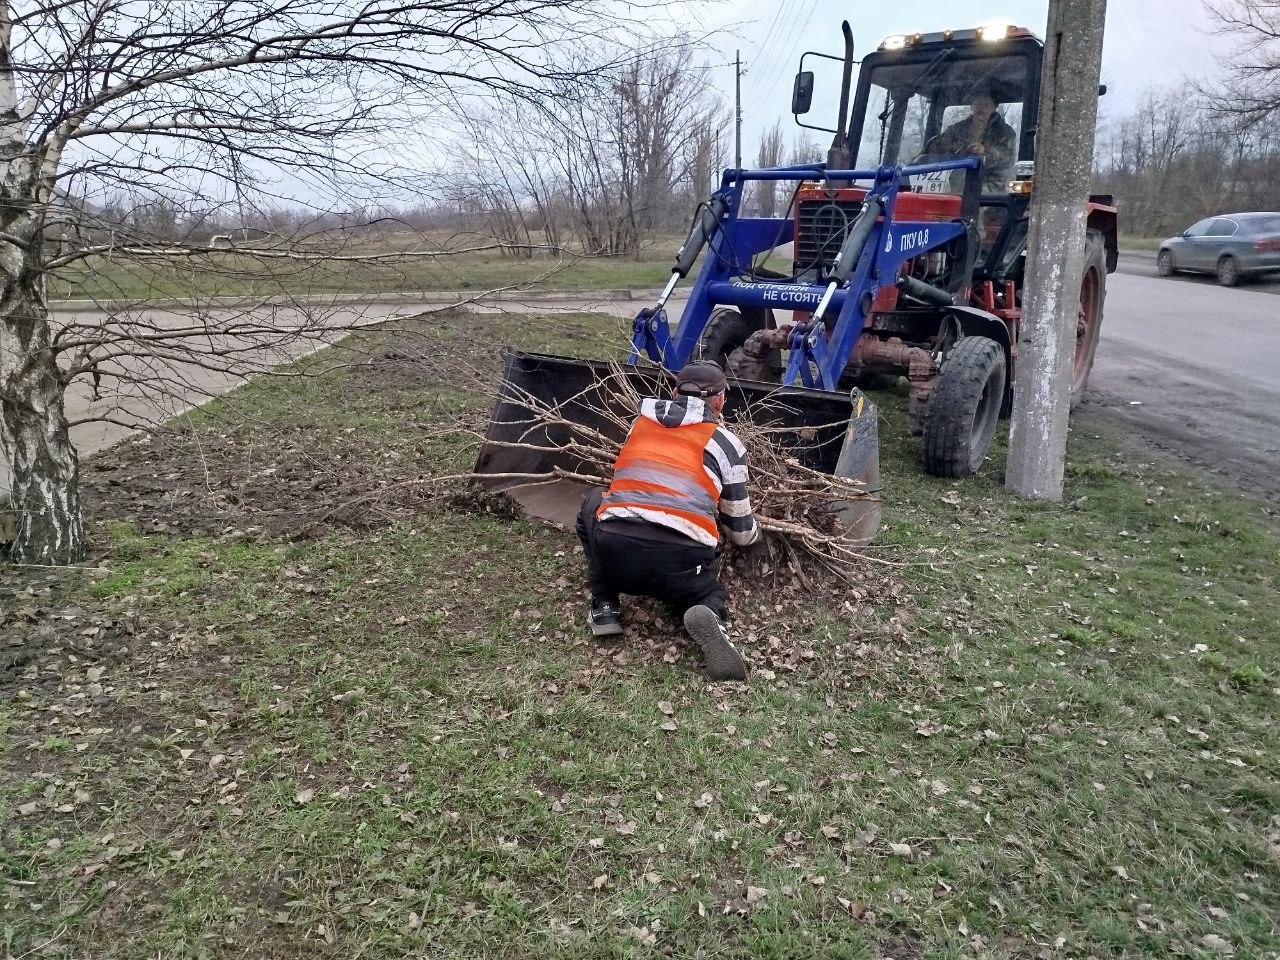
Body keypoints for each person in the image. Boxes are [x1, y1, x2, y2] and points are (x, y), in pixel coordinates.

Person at [575, 359, 760, 682]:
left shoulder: (638, 424)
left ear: (674, 393)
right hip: (682, 568)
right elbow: (740, 532)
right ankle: (709, 612)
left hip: (618, 557)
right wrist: (759, 536)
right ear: (720, 400)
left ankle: (605, 604)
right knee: (708, 592)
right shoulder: (725, 443)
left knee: (593, 501)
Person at [925, 87, 1017, 192]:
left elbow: (1006, 161)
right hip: (956, 186)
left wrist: (985, 151)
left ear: (994, 107)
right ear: (971, 106)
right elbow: (935, 147)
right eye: (977, 104)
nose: (981, 109)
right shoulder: (956, 129)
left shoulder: (1006, 133)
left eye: (986, 105)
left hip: (991, 189)